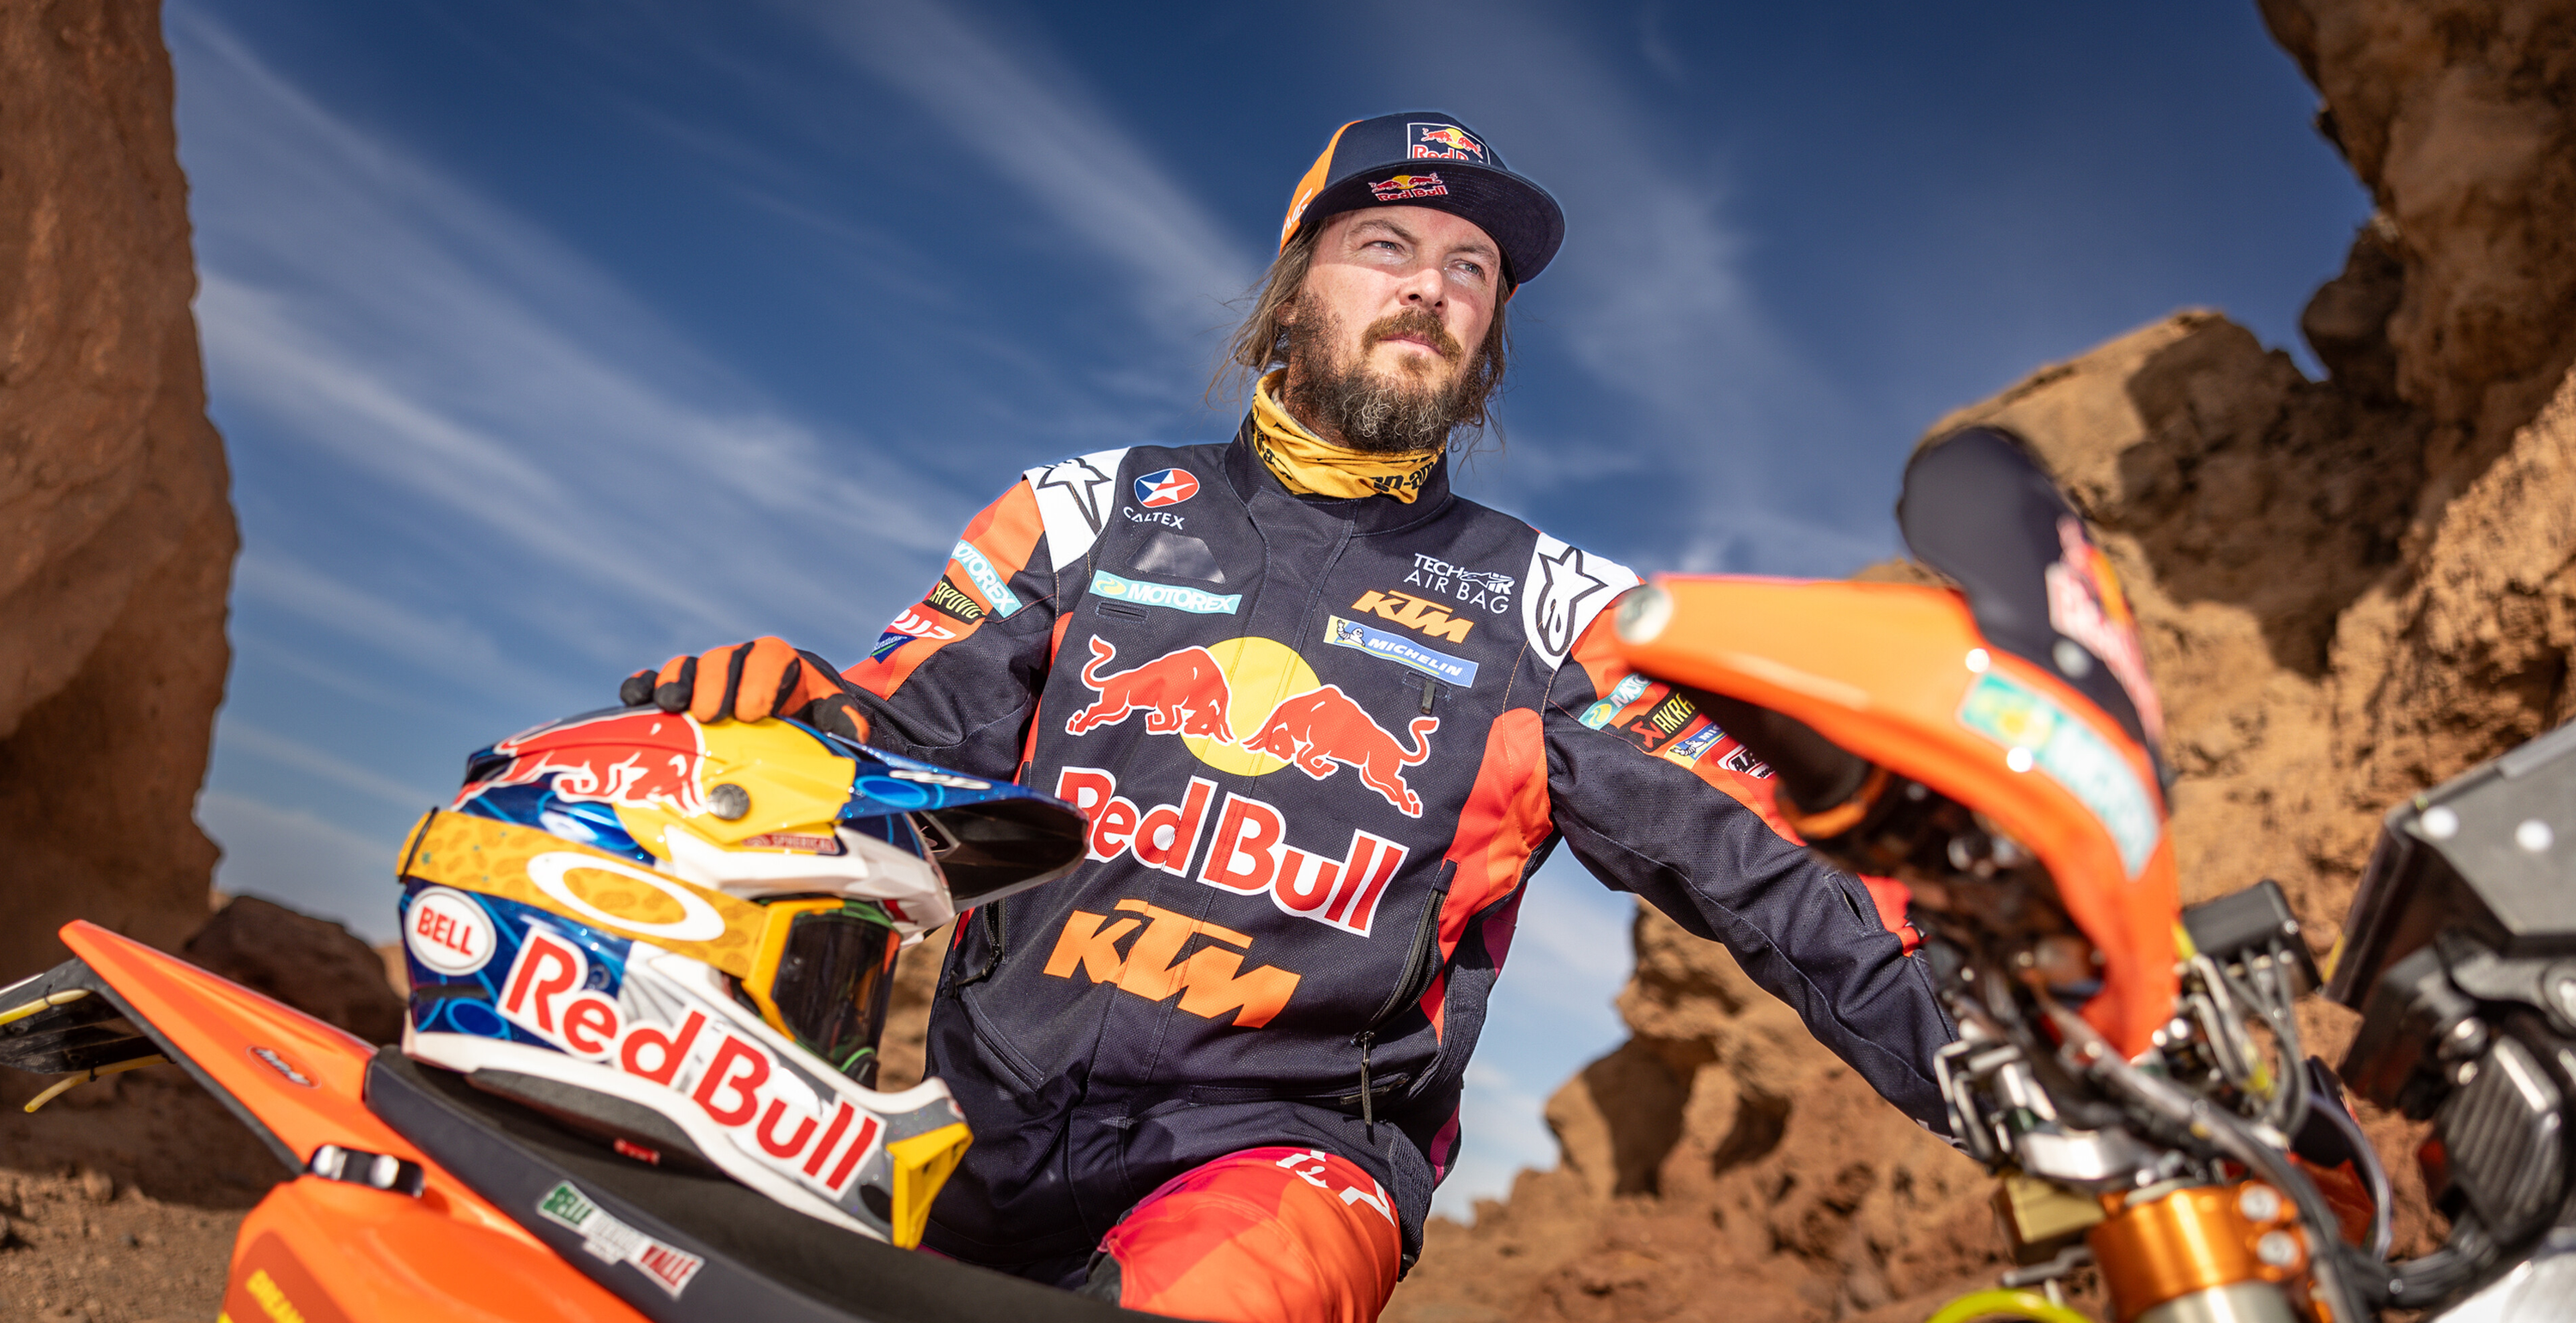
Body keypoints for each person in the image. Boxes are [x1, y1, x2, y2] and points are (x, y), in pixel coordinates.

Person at [629, 111, 1953, 1323]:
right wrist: (786, 718)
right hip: (966, 1129)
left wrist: (2029, 1043)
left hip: (1286, 1168)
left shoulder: (1555, 614)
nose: (1432, 285)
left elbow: (1797, 883)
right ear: (1291, 287)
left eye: (1472, 269)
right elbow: (896, 746)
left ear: (1488, 335)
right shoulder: (1086, 510)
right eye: (1387, 244)